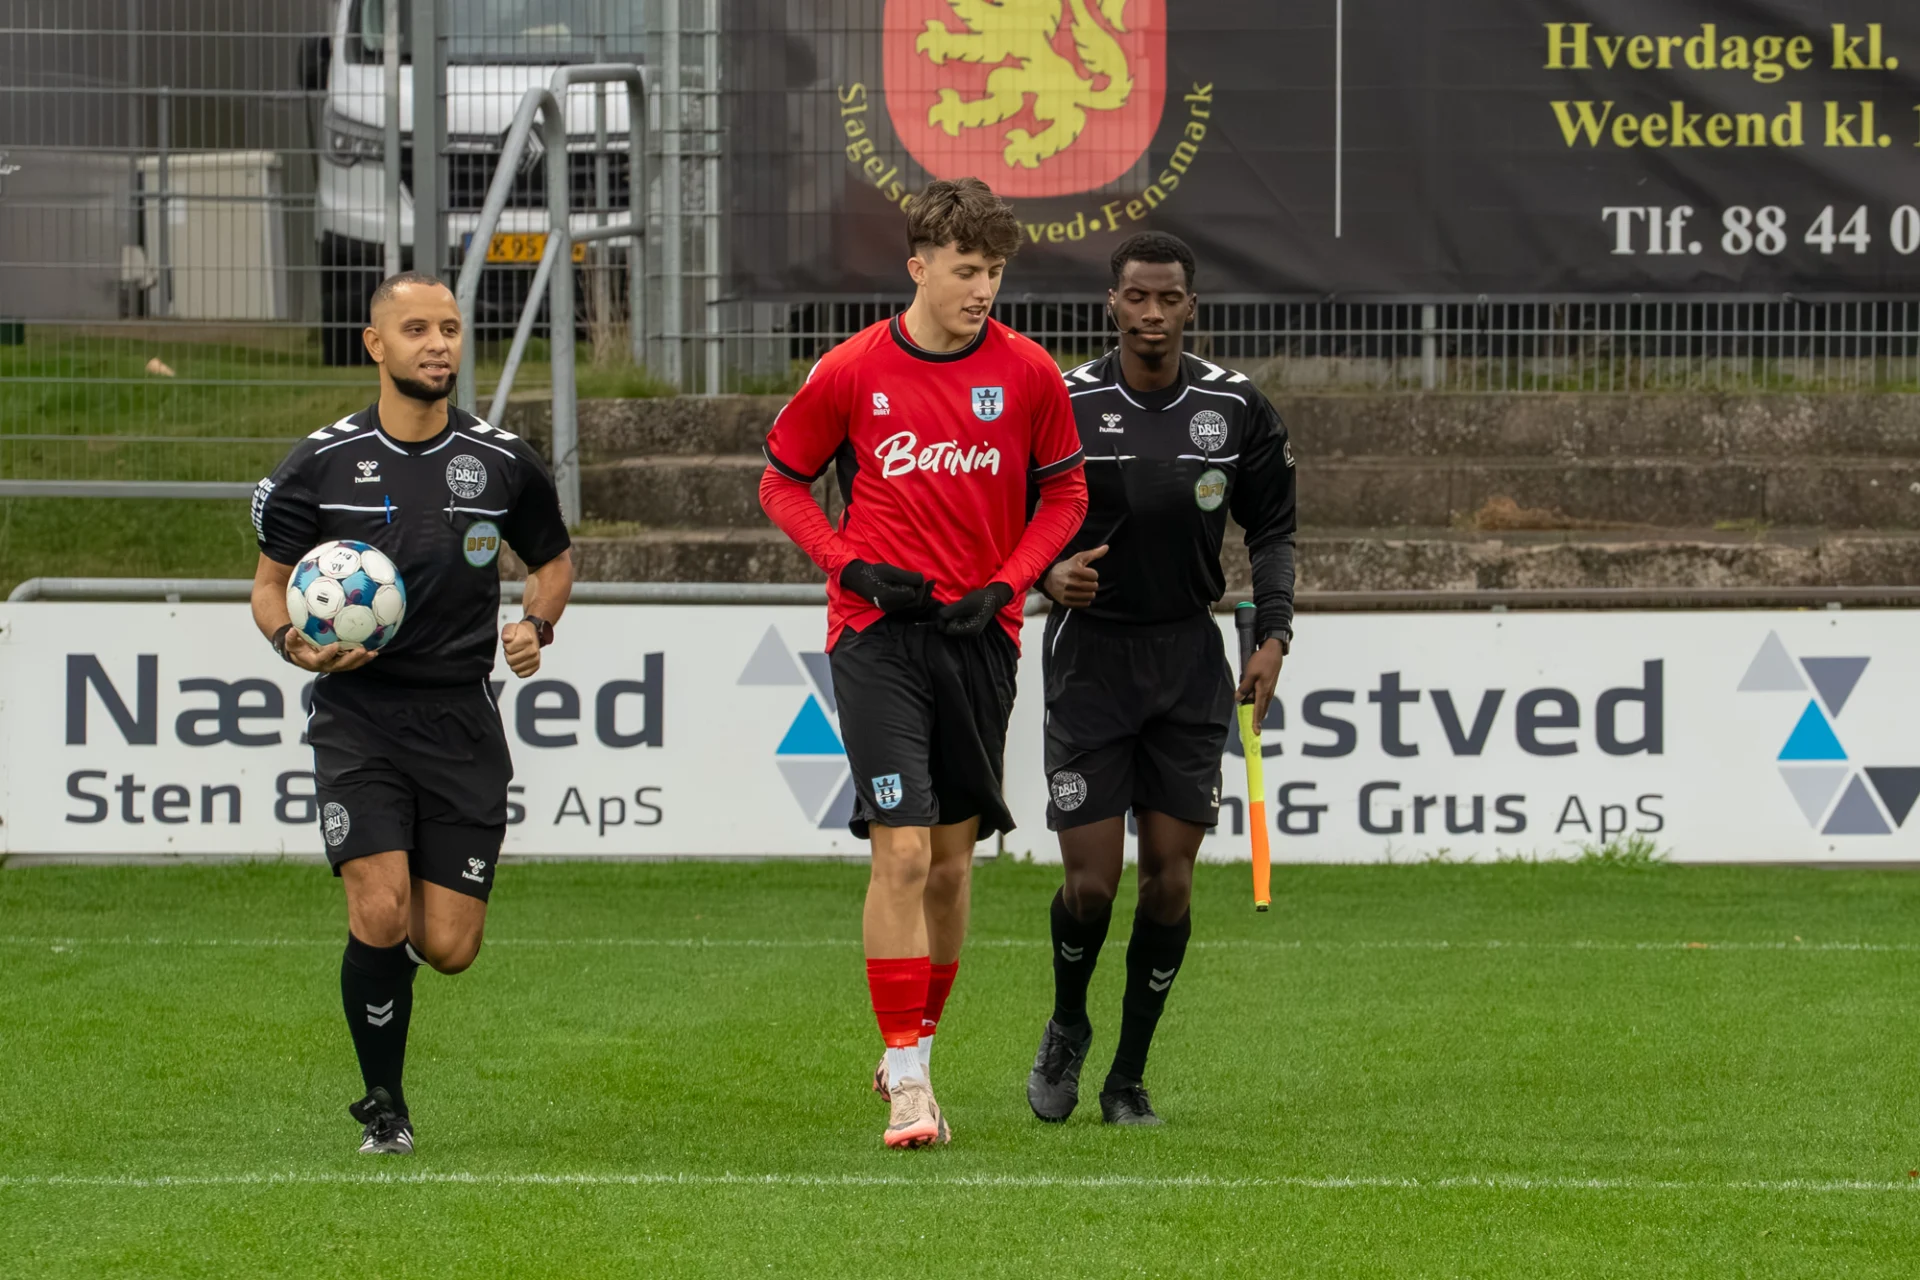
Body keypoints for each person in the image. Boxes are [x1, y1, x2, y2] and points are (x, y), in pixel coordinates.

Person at [758, 178, 1089, 1148]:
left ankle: (919, 1048)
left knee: (950, 867)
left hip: (978, 639)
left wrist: (1012, 582)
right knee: (899, 848)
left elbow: (1065, 496)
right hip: (873, 635)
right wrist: (848, 562)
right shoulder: (853, 369)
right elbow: (783, 482)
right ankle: (905, 1076)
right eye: (965, 270)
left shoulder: (1029, 373)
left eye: (993, 271)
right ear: (918, 265)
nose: (983, 287)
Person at [249, 272, 574, 1155]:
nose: (439, 344)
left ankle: (390, 1038)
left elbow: (554, 561)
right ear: (376, 345)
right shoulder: (319, 462)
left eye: (452, 329)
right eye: (419, 329)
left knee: (450, 945)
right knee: (380, 911)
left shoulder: (503, 460)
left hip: (461, 721)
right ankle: (384, 1106)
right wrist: (295, 645)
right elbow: (271, 585)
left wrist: (536, 622)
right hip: (357, 717)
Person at [1026, 231, 1296, 1126]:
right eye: (1135, 297)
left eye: (1167, 298)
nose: (1150, 313)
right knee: (1092, 883)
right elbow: (1009, 521)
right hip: (1088, 658)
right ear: (1111, 302)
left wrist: (1273, 637)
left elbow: (1272, 532)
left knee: (1171, 882)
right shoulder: (1063, 402)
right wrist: (1045, 576)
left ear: (1190, 305)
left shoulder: (1236, 407)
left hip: (1188, 661)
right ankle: (1067, 1025)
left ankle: (1127, 1078)